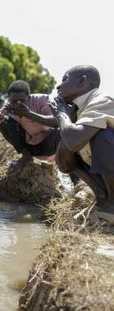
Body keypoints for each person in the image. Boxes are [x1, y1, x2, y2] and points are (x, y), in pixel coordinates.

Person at [50, 65, 114, 222]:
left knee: (101, 136)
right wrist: (67, 117)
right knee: (65, 145)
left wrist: (62, 115)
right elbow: (67, 152)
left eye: (64, 79)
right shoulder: (81, 108)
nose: (59, 85)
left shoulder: (102, 100)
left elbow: (74, 141)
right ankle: (102, 197)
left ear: (82, 82)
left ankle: (113, 205)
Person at [0, 80, 59, 168]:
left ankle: (73, 173)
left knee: (63, 129)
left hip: (50, 145)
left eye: (22, 100)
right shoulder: (7, 109)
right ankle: (26, 157)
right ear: (9, 100)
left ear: (29, 98)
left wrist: (28, 114)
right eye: (13, 101)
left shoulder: (42, 100)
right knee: (4, 122)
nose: (17, 104)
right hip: (30, 148)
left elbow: (58, 122)